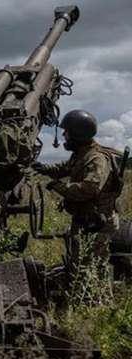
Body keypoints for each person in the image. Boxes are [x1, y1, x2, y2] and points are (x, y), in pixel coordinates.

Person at [33, 110, 123, 292]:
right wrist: (43, 168)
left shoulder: (96, 158)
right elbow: (64, 168)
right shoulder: (82, 154)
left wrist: (57, 186)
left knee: (93, 267)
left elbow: (89, 189)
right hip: (86, 220)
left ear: (78, 134)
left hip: (98, 223)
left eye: (67, 132)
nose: (64, 135)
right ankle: (79, 293)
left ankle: (96, 302)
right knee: (79, 264)